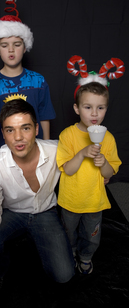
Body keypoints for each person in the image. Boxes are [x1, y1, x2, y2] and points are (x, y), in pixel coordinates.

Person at [0, 99, 75, 286]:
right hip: (11, 213)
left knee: (64, 275)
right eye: (10, 130)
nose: (18, 137)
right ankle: (1, 268)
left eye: (25, 128)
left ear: (36, 130)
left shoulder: (57, 150)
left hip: (46, 212)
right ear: (3, 134)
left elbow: (80, 163)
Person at [57, 57, 123, 274]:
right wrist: (83, 153)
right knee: (68, 233)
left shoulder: (109, 138)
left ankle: (86, 256)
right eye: (88, 107)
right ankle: (71, 252)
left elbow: (109, 172)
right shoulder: (68, 135)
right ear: (77, 108)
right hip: (70, 200)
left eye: (100, 108)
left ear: (106, 109)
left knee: (92, 235)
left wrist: (103, 163)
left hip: (94, 201)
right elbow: (67, 169)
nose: (94, 114)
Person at [0, 0, 56, 150]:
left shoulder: (38, 81)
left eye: (16, 44)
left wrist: (47, 149)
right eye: (5, 45)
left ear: (25, 47)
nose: (10, 50)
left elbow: (44, 117)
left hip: (33, 151)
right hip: (2, 154)